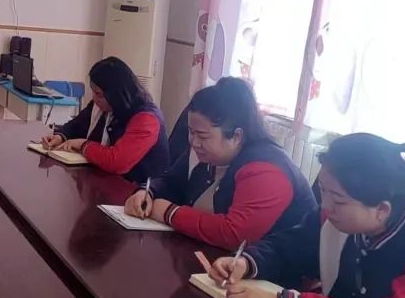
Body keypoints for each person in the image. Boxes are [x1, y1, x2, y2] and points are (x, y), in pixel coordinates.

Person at [211, 133, 405, 298]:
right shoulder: (340, 217)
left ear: (382, 209)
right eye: (323, 190)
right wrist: (247, 262)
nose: (325, 205)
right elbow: (292, 246)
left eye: (338, 199)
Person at [124, 77, 315, 250]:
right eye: (191, 132)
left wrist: (170, 213)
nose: (194, 142)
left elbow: (235, 235)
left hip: (267, 270)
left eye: (202, 136)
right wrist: (147, 192)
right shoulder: (204, 150)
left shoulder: (267, 170)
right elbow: (171, 182)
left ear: (236, 136)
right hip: (209, 254)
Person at [39, 57, 169, 183]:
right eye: (93, 92)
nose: (94, 98)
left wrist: (84, 145)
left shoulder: (146, 120)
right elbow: (77, 125)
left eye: (98, 94)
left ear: (116, 93)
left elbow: (117, 162)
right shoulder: (104, 105)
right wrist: (60, 137)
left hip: (137, 190)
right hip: (105, 180)